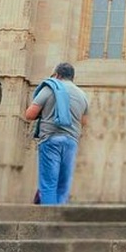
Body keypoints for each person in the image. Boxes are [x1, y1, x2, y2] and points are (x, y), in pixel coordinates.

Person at [24, 62, 89, 205]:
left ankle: (47, 223)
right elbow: (84, 122)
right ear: (72, 77)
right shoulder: (82, 95)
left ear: (57, 75)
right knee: (62, 186)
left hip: (50, 139)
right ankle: (58, 222)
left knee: (48, 184)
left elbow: (30, 114)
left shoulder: (51, 87)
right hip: (71, 142)